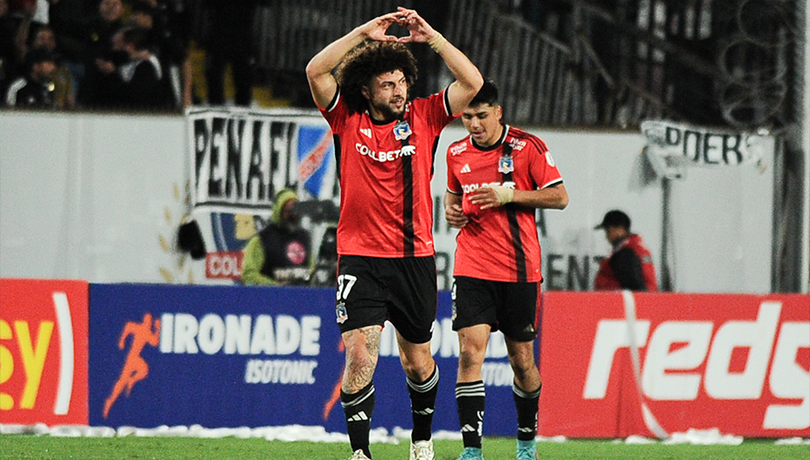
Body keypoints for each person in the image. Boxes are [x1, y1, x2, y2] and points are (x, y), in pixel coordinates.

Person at [306, 7, 483, 460]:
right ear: (366, 89)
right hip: (360, 259)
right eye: (387, 83)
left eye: (402, 81)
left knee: (416, 361)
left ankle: (421, 441)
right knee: (361, 356)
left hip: (414, 259)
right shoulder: (346, 119)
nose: (399, 90)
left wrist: (435, 39)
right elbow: (317, 69)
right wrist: (364, 35)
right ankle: (360, 453)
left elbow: (472, 84)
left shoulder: (425, 117)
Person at [444, 80, 569, 460]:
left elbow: (560, 197)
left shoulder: (527, 148)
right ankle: (471, 452)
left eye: (482, 115)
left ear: (498, 113)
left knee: (522, 361)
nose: (474, 124)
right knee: (469, 354)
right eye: (467, 117)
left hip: (519, 271)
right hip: (472, 267)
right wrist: (452, 213)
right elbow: (453, 200)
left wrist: (510, 194)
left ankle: (527, 442)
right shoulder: (455, 152)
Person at [241, 189, 313, 286]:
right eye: (288, 211)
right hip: (270, 298)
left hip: (302, 297)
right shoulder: (261, 239)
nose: (293, 215)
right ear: (278, 210)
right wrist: (275, 287)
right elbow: (249, 275)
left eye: (295, 210)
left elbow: (312, 270)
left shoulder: (304, 237)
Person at [593, 209, 658, 291]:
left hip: (625, 302)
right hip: (639, 301)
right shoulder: (637, 247)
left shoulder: (625, 254)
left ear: (620, 229)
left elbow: (635, 289)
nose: (606, 236)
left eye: (608, 231)